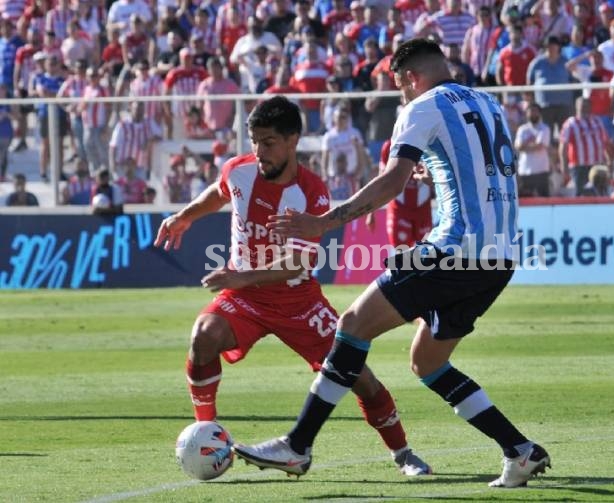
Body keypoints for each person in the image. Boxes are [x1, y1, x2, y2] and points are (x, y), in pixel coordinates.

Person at [236, 39, 551, 489]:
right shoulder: (488, 101)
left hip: (454, 251)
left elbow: (391, 181)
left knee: (352, 325)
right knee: (428, 362)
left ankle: (298, 445)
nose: (398, 93)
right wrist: (438, 174)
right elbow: (480, 169)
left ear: (407, 77)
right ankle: (521, 451)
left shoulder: (421, 106)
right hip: (499, 257)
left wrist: (325, 222)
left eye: (395, 83)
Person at [153, 96, 431, 477]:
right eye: (254, 141)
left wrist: (238, 277)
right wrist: (184, 217)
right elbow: (220, 191)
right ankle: (208, 433)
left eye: (268, 143)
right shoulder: (240, 170)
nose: (259, 151)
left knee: (359, 377)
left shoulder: (310, 192)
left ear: (293, 141)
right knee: (204, 334)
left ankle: (403, 453)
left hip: (298, 302)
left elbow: (299, 263)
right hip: (245, 297)